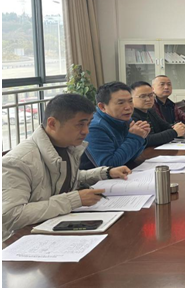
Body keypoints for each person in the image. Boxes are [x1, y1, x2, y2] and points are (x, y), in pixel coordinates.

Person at [2, 94, 131, 241]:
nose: (86, 131)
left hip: (55, 226)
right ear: (52, 124)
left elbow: (66, 177)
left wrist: (105, 173)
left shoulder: (66, 145)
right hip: (23, 240)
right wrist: (73, 200)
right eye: (80, 124)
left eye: (88, 124)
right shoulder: (17, 162)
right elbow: (10, 216)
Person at [80, 81, 150, 169]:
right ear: (102, 107)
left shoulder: (124, 118)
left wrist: (142, 137)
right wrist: (135, 137)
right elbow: (108, 166)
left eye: (130, 101)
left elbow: (130, 157)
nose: (128, 107)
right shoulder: (94, 127)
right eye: (121, 103)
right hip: (96, 177)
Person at [131, 81, 185, 147]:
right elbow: (146, 139)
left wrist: (178, 127)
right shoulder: (130, 115)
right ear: (130, 98)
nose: (148, 99)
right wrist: (174, 132)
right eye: (143, 96)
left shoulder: (150, 111)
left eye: (151, 95)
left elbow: (166, 127)